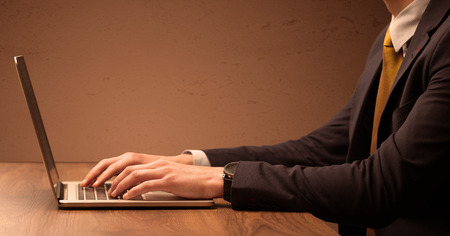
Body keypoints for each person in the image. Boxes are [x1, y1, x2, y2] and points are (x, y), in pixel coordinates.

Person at [82, 0, 450, 235]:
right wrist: (185, 163)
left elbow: (380, 186)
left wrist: (222, 180)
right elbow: (322, 149)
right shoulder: (395, 35)